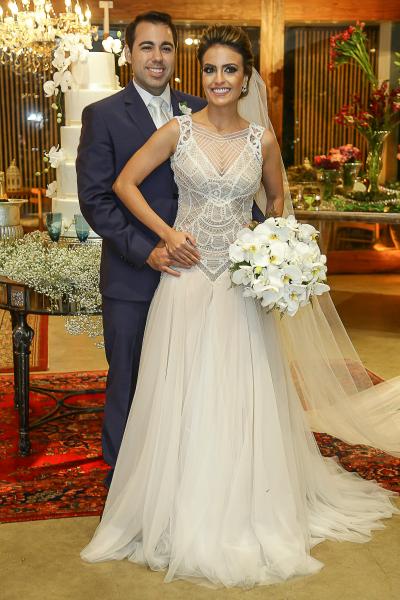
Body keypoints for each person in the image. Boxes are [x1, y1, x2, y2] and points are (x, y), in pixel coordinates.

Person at [81, 25, 398, 588]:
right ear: (199, 75)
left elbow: (276, 199)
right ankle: (174, 507)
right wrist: (165, 235)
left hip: (238, 286)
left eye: (229, 69)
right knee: (180, 390)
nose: (219, 79)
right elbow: (125, 184)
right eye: (210, 69)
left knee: (238, 392)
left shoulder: (262, 140)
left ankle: (245, 504)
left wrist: (272, 248)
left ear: (246, 78)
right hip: (186, 281)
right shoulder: (179, 129)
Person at [77, 12, 267, 487]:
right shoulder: (103, 115)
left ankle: (185, 482)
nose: (157, 57)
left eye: (166, 47)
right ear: (129, 54)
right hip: (133, 271)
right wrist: (149, 250)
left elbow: (233, 186)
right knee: (131, 378)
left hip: (201, 274)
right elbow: (97, 199)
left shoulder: (202, 105)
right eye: (146, 46)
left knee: (194, 382)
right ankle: (124, 485)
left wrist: (265, 242)